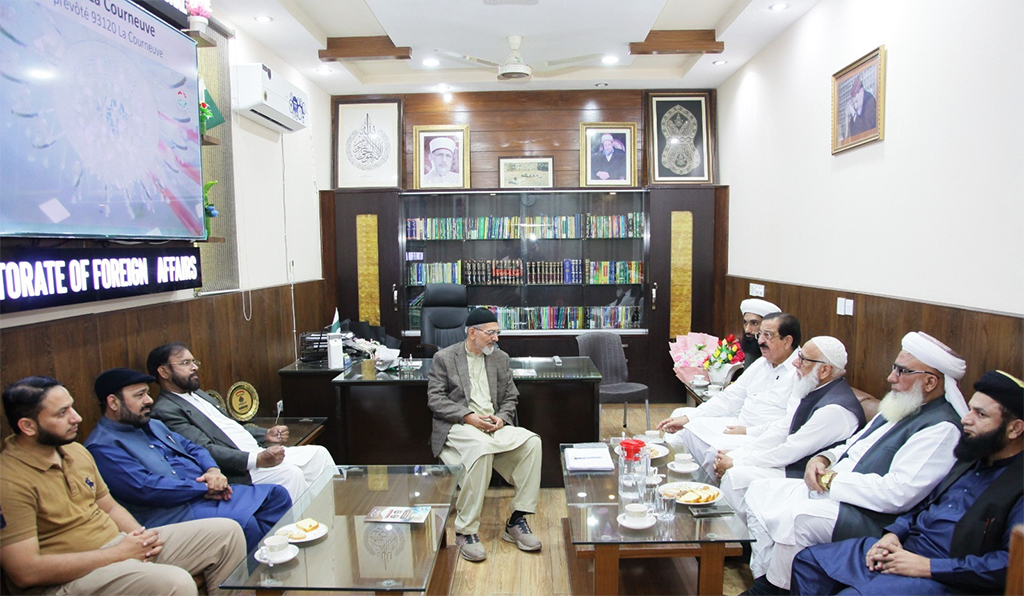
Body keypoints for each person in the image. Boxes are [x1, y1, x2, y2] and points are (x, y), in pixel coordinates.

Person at [740, 331, 967, 595]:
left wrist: (831, 481)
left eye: (902, 371)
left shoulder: (941, 428)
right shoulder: (902, 404)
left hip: (872, 515)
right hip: (835, 489)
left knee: (799, 519)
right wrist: (824, 458)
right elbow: (853, 444)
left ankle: (774, 589)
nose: (891, 377)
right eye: (895, 368)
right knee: (759, 489)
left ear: (930, 382)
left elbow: (898, 493)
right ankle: (767, 577)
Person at [1, 376, 246, 596]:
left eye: (72, 407)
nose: (77, 417)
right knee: (176, 582)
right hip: (67, 580)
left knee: (227, 533)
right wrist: (119, 554)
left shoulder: (75, 451)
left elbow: (109, 507)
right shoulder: (9, 481)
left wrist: (141, 538)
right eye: (62, 413)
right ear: (28, 426)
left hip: (118, 546)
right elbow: (26, 573)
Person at [791, 370, 1023, 596]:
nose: (966, 419)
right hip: (905, 549)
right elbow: (923, 504)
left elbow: (1009, 563)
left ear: (1015, 429)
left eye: (980, 415)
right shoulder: (970, 458)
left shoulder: (1017, 484)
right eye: (970, 409)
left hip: (949, 575)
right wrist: (893, 535)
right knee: (809, 563)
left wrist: (927, 567)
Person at [84, 368, 292, 553]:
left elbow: (194, 448)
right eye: (140, 395)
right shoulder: (102, 447)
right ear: (113, 402)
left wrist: (213, 471)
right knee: (244, 523)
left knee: (276, 496)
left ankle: (275, 563)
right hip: (170, 511)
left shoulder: (153, 424)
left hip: (204, 494)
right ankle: (255, 582)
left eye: (147, 393)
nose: (149, 400)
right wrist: (204, 488)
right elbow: (146, 488)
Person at [148, 342, 337, 502]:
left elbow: (231, 427)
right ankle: (302, 533)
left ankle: (332, 516)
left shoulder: (198, 394)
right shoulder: (166, 410)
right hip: (241, 468)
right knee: (291, 474)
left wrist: (265, 434)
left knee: (318, 454)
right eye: (185, 363)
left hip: (257, 452)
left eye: (194, 361)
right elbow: (205, 449)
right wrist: (256, 460)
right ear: (164, 372)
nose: (194, 367)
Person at [426, 307, 543, 562]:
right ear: (472, 333)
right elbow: (435, 399)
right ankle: (465, 532)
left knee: (532, 442)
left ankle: (516, 520)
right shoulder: (445, 358)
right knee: (480, 449)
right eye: (490, 333)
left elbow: (511, 396)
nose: (496, 338)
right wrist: (468, 416)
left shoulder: (499, 358)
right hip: (461, 427)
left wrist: (501, 418)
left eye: (497, 333)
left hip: (493, 426)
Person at [716, 337, 866, 520]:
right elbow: (783, 429)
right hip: (791, 462)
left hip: (804, 475)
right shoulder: (814, 388)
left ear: (825, 370)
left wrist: (738, 462)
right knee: (725, 455)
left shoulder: (835, 410)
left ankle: (735, 543)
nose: (795, 363)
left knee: (735, 476)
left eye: (803, 359)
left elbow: (790, 450)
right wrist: (741, 453)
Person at [657, 312, 801, 478]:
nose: (760, 341)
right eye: (760, 334)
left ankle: (707, 495)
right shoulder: (762, 363)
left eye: (767, 335)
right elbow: (730, 397)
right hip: (739, 424)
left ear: (788, 341)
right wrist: (690, 418)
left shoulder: (800, 372)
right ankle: (687, 483)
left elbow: (788, 424)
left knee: (714, 451)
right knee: (689, 425)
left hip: (762, 437)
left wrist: (748, 431)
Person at [739, 299, 782, 367]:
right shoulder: (751, 350)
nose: (747, 330)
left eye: (754, 323)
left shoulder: (777, 357)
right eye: (745, 323)